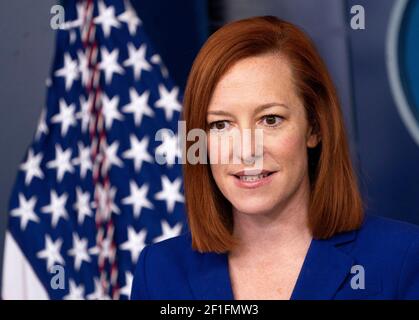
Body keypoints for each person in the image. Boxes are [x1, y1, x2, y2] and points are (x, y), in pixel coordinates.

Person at [131, 16, 419, 300]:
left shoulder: (402, 259)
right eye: (221, 125)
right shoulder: (160, 272)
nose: (246, 150)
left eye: (270, 119)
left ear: (314, 128)